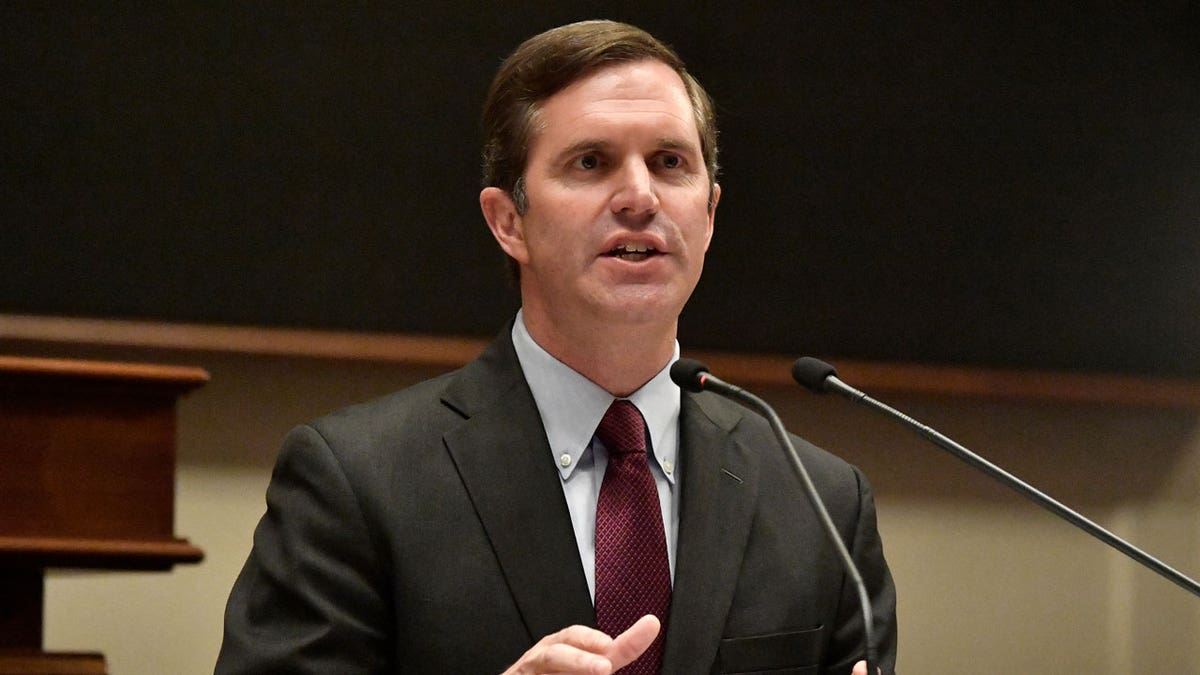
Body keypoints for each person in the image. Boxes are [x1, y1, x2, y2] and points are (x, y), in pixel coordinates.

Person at [216, 19, 897, 675]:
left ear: (710, 213)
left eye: (670, 162)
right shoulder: (356, 483)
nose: (639, 196)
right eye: (591, 162)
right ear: (508, 221)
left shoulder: (823, 504)